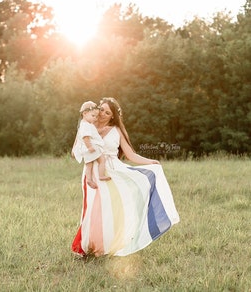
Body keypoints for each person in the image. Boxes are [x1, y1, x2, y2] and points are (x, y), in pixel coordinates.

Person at [72, 97, 180, 257]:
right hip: (92, 171)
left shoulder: (116, 131)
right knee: (91, 210)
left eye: (107, 112)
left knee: (109, 210)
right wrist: (88, 150)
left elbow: (130, 154)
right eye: (101, 109)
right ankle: (88, 247)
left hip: (112, 172)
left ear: (112, 116)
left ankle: (106, 246)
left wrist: (150, 162)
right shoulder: (87, 126)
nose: (102, 113)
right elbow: (75, 151)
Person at [72, 101, 111, 189]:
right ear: (85, 113)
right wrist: (90, 147)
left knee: (89, 165)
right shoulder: (86, 125)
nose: (95, 118)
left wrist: (101, 130)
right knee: (102, 160)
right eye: (93, 116)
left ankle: (89, 179)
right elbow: (86, 137)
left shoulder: (85, 124)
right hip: (91, 147)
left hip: (86, 149)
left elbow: (93, 133)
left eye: (96, 116)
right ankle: (101, 175)